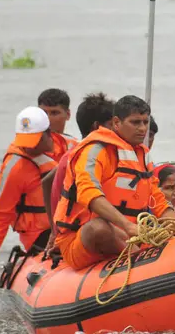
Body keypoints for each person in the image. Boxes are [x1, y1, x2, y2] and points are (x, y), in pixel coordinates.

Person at [53, 95, 175, 271]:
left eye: (145, 122)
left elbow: (156, 200)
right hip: (83, 239)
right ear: (117, 122)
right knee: (98, 228)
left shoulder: (142, 154)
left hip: (129, 237)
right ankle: (141, 265)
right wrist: (128, 226)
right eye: (135, 123)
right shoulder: (95, 150)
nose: (142, 129)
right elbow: (89, 194)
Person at [0, 107, 56, 302]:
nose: (28, 147)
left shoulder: (56, 148)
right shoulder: (17, 168)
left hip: (59, 229)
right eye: (25, 142)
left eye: (33, 142)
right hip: (41, 238)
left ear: (47, 135)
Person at [43, 92, 116, 256]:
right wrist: (54, 230)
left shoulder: (85, 154)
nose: (117, 129)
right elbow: (48, 182)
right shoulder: (77, 157)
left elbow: (47, 181)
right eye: (113, 124)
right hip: (86, 234)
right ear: (97, 127)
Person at [38, 88, 78, 161]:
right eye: (44, 113)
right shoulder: (29, 145)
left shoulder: (77, 146)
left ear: (68, 114)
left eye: (54, 113)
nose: (48, 118)